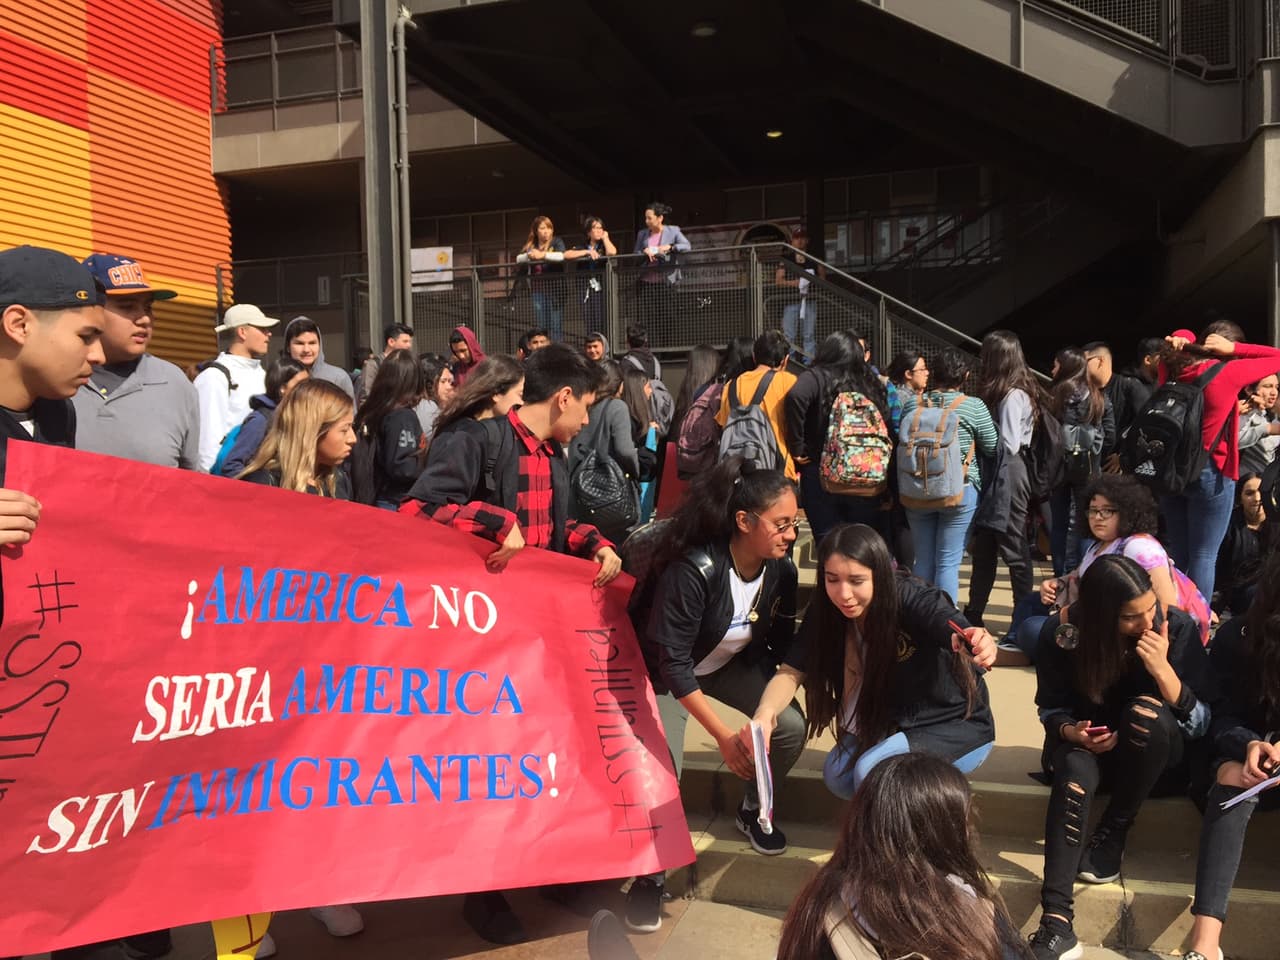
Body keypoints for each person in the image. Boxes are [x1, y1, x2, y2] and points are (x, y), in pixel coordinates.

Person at [401, 344, 620, 945]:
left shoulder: (557, 455)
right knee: (489, 763)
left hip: (538, 635)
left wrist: (595, 541)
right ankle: (484, 890)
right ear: (564, 397)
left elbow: (555, 528)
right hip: (479, 638)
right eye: (588, 408)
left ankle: (545, 868)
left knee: (538, 757)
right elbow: (419, 507)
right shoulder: (479, 440)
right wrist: (495, 523)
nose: (587, 421)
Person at [627, 459, 805, 930]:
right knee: (665, 764)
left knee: (788, 728)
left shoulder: (781, 572)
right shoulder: (695, 569)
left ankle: (754, 807)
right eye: (781, 524)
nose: (791, 535)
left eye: (796, 524)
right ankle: (650, 878)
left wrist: (767, 712)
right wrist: (726, 736)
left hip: (726, 665)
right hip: (668, 677)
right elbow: (674, 665)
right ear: (744, 522)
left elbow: (782, 648)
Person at [1028, 555, 1215, 960]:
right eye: (1131, 617)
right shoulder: (1063, 632)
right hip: (1090, 749)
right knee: (1074, 765)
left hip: (1156, 758)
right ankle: (1056, 922)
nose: (1147, 622)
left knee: (1144, 713)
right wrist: (1070, 731)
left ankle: (1115, 829)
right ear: (1099, 616)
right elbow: (1050, 709)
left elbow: (1202, 726)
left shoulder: (1174, 626)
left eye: (1150, 608)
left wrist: (1164, 671)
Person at [751, 523, 996, 802]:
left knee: (872, 772)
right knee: (838, 775)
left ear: (878, 575)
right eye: (832, 579)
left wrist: (973, 637)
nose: (843, 594)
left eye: (856, 581)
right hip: (893, 723)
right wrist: (765, 712)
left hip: (952, 725)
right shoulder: (827, 611)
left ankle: (903, 835)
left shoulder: (907, 596)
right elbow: (792, 671)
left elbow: (943, 618)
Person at [776, 754, 1028, 960]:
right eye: (965, 816)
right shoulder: (972, 918)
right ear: (943, 833)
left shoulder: (817, 908)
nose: (970, 827)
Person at [1001, 474, 1211, 665]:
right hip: (1095, 619)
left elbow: (1167, 608)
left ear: (1128, 511)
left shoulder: (1140, 547)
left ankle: (1032, 650)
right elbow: (1081, 578)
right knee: (1031, 602)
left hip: (1120, 633)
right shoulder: (1098, 544)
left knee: (1033, 630)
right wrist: (1058, 583)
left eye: (1107, 511)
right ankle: (1015, 646)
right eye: (1093, 510)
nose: (1097, 517)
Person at [1182, 548, 1280, 960]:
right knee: (1233, 775)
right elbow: (1217, 717)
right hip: (1248, 765)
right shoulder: (1238, 637)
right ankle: (1204, 945)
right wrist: (1248, 744)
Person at [1158, 322, 1280, 603]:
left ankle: (1177, 618)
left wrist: (1183, 339)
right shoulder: (1228, 373)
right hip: (1211, 470)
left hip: (1172, 472)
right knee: (1204, 554)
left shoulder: (1174, 368)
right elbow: (1276, 356)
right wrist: (1235, 349)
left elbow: (1178, 335)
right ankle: (1198, 627)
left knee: (1179, 553)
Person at [73, 253, 198, 470]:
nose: (144, 319)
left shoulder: (174, 383)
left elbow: (192, 478)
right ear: (89, 311)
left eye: (148, 307)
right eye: (127, 306)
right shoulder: (54, 378)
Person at [900, 347, 998, 604]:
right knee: (948, 561)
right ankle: (944, 626)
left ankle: (918, 622)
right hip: (960, 489)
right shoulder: (974, 407)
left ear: (933, 374)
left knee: (923, 559)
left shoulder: (913, 403)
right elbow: (992, 445)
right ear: (965, 376)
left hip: (916, 487)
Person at [784, 330, 889, 540]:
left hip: (821, 472)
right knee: (861, 544)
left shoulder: (816, 376)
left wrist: (797, 445)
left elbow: (796, 396)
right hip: (865, 473)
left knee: (827, 542)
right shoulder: (869, 381)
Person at [966, 330, 1040, 627]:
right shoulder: (1016, 392)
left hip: (1006, 473)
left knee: (1013, 548)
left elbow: (1007, 443)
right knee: (985, 549)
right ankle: (974, 612)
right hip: (1004, 471)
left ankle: (1022, 616)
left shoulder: (1013, 396)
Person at [1048, 346, 1113, 575]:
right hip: (1088, 465)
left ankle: (1060, 574)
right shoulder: (1097, 394)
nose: (1052, 369)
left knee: (1059, 523)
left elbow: (1046, 431)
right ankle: (1082, 572)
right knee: (1085, 522)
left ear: (1065, 367)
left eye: (1055, 364)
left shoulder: (1054, 394)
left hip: (1058, 466)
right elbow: (1110, 432)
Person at [238, 379, 356, 499]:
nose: (353, 439)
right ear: (312, 432)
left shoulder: (337, 480)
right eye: (344, 430)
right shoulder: (263, 483)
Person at [194, 303, 278, 472]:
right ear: (242, 332)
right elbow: (206, 445)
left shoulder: (262, 374)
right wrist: (215, 488)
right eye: (262, 329)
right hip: (227, 481)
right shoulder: (214, 377)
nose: (268, 334)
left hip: (258, 477)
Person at [568, 360, 640, 543]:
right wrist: (636, 471)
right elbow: (625, 450)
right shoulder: (617, 407)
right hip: (612, 493)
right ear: (619, 384)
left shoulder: (584, 406)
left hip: (582, 494)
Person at [716, 329, 799, 479]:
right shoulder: (789, 382)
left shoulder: (731, 386)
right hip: (777, 472)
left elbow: (723, 425)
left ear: (754, 356)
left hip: (737, 472)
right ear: (785, 360)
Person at [351, 349, 426, 510]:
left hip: (376, 496)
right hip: (395, 500)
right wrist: (427, 465)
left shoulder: (374, 410)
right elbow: (402, 467)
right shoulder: (402, 417)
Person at [217, 356, 309, 478]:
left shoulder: (299, 418)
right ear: (282, 388)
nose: (308, 390)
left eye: (308, 384)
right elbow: (231, 465)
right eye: (300, 385)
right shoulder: (260, 420)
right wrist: (258, 491)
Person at [1083, 341, 1150, 472]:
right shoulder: (1084, 391)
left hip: (1115, 469)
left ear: (1100, 361)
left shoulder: (1129, 386)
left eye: (1084, 362)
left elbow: (1147, 423)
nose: (1080, 368)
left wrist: (1124, 455)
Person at [1213, 471, 1270, 616]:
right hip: (1238, 594)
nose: (1257, 498)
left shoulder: (1275, 523)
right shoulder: (1228, 525)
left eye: (1260, 492)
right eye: (1249, 493)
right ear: (1240, 498)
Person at [632, 202, 690, 328]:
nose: (646, 221)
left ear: (660, 218)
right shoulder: (642, 234)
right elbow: (635, 254)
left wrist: (670, 247)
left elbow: (686, 246)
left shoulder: (673, 231)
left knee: (667, 318)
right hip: (646, 283)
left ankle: (666, 346)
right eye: (645, 218)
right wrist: (643, 252)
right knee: (648, 319)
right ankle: (651, 346)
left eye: (649, 218)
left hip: (666, 282)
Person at [775, 228, 825, 358]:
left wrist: (810, 281)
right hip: (791, 301)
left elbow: (823, 279)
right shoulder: (786, 259)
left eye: (802, 238)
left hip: (810, 300)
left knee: (809, 334)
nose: (800, 241)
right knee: (789, 335)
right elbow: (779, 281)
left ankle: (809, 361)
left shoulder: (814, 259)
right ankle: (789, 361)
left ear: (807, 240)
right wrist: (795, 283)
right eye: (797, 238)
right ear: (792, 241)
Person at [516, 216, 567, 341]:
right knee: (542, 325)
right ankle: (543, 351)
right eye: (542, 228)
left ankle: (557, 351)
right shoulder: (532, 245)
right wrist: (530, 255)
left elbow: (562, 255)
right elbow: (518, 259)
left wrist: (542, 255)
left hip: (556, 290)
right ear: (536, 231)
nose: (546, 231)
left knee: (556, 324)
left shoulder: (557, 242)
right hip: (537, 290)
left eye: (549, 228)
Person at [281, 315, 354, 398]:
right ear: (288, 347)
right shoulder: (278, 378)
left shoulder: (338, 378)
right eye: (299, 343)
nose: (306, 349)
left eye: (312, 343)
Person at [621, 366, 660, 522]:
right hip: (635, 485)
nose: (651, 391)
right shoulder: (627, 419)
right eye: (648, 387)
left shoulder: (641, 416)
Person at [565, 216, 616, 333]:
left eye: (601, 228)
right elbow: (567, 254)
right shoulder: (583, 245)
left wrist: (606, 238)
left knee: (602, 317)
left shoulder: (603, 245)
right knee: (588, 317)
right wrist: (587, 252)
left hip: (602, 286)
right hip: (585, 287)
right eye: (595, 228)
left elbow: (612, 252)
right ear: (588, 231)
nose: (599, 230)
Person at [357, 322, 413, 404]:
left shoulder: (409, 364)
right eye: (405, 341)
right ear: (391, 342)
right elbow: (366, 397)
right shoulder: (373, 365)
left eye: (410, 342)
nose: (409, 345)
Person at [1237, 372, 1279, 478]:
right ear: (1249, 390)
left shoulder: (1270, 415)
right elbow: (1235, 440)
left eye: (1276, 387)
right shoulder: (1242, 412)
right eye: (1268, 386)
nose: (1274, 392)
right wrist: (1267, 429)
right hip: (1242, 483)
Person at [413, 352, 455, 437]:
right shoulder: (428, 408)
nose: (449, 387)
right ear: (430, 383)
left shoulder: (433, 405)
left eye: (450, 382)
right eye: (443, 381)